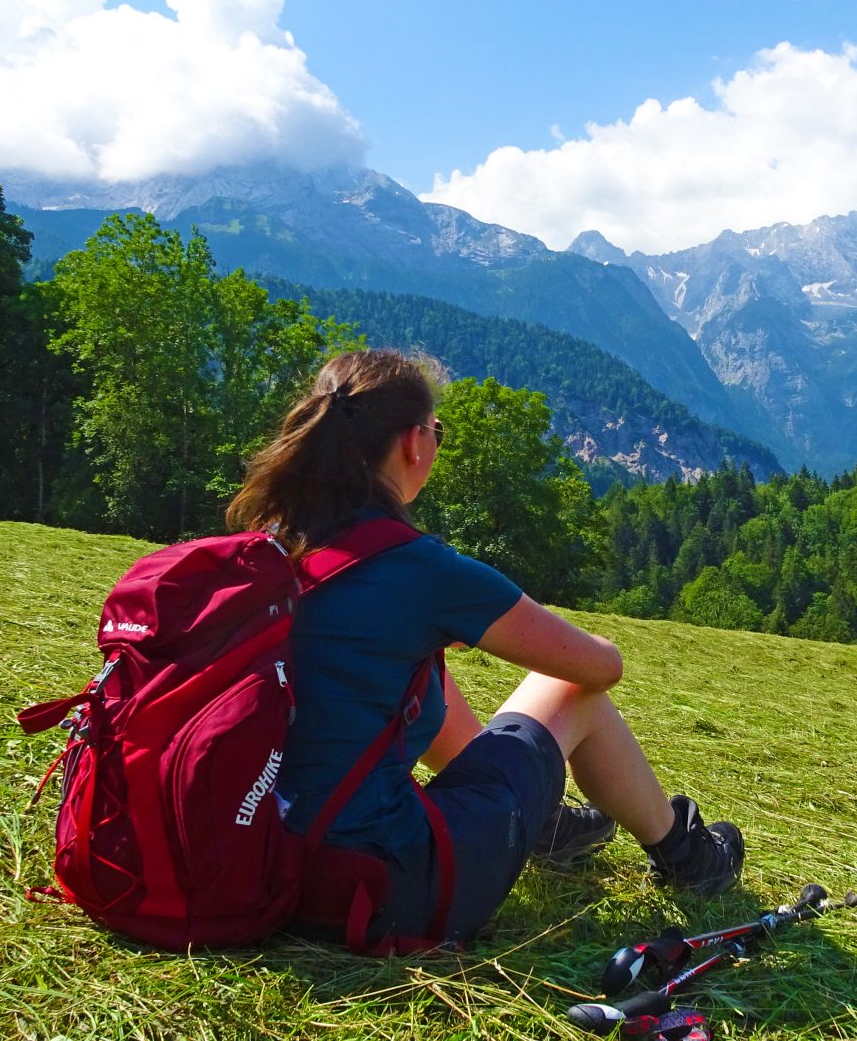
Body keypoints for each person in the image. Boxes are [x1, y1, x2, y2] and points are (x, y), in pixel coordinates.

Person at [225, 347, 744, 949]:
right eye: (436, 431)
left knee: (418, 670)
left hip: (262, 857)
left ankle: (538, 822)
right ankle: (686, 855)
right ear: (413, 444)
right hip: (375, 889)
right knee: (571, 693)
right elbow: (600, 668)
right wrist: (600, 639)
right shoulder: (417, 568)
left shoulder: (273, 547)